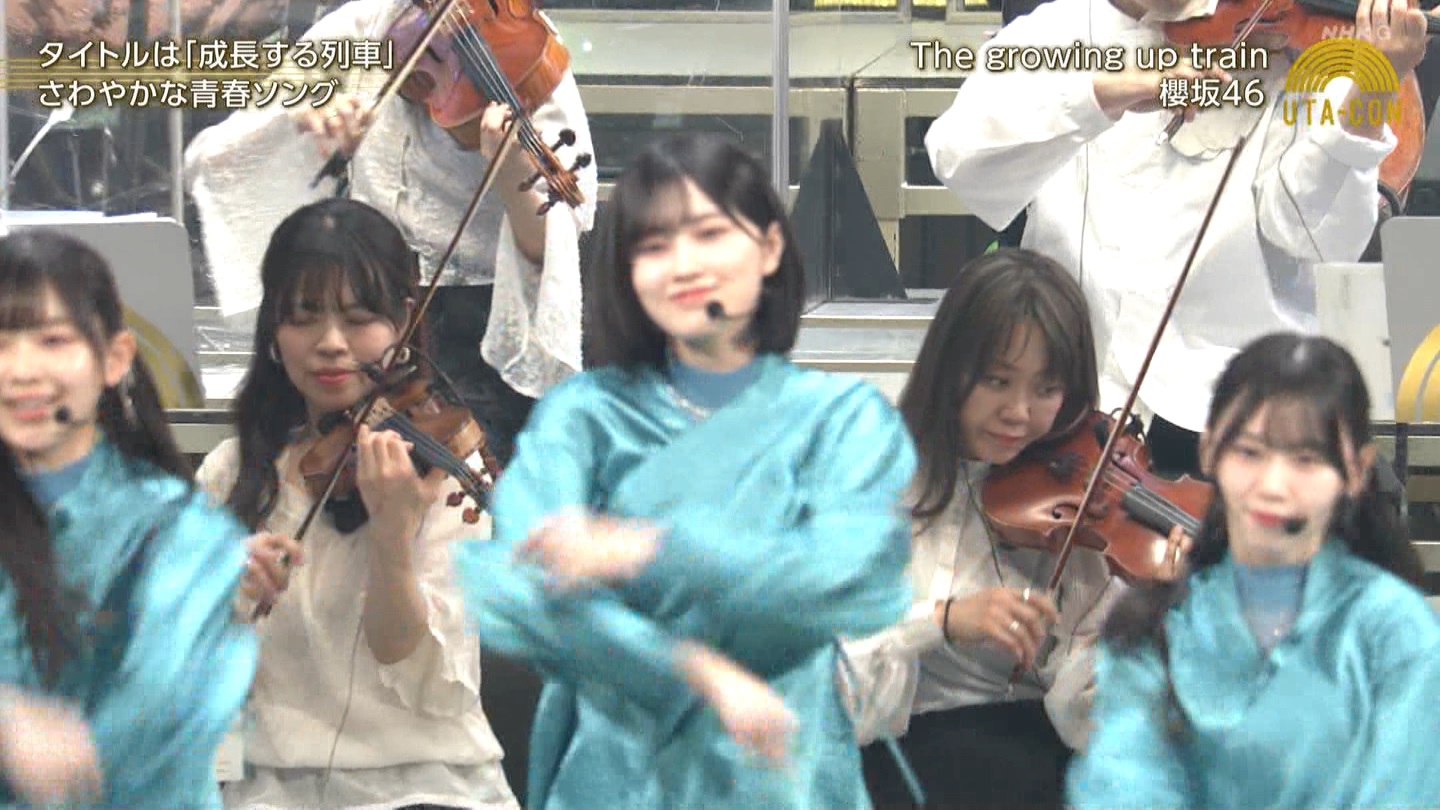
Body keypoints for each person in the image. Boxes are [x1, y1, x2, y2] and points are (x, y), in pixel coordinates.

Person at [447, 131, 917, 809]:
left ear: (770, 248)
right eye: (654, 245)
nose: (684, 264)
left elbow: (859, 576)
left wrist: (648, 551)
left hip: (781, 768)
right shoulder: (583, 415)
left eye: (709, 234)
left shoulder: (841, 418)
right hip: (617, 779)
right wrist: (690, 669)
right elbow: (508, 584)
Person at [924, 0, 1433, 477]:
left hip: (1228, 418)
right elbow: (958, 159)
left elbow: (1317, 239)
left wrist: (1371, 88)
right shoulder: (1053, 34)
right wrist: (1104, 94)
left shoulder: (1285, 50)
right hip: (1063, 401)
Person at [194, 197, 519, 810]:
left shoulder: (439, 471)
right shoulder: (232, 475)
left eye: (359, 318)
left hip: (428, 786)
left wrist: (393, 535)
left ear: (403, 321)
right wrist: (220, 594)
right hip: (268, 790)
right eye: (304, 317)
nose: (331, 344)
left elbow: (410, 663)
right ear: (273, 330)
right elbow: (193, 684)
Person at [184, 0, 599, 466]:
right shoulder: (366, 26)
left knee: (479, 480)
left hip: (479, 324)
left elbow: (554, 245)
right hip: (367, 310)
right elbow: (219, 156)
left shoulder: (521, 46)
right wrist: (306, 123)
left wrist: (509, 170)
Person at [1067, 332, 1440, 808]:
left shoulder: (1397, 631)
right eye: (1249, 452)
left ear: (1356, 470)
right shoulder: (1151, 628)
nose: (1273, 485)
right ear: (1209, 450)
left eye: (1306, 459)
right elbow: (1124, 785)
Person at [844, 248, 1148, 810]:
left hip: (1028, 761)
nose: (1019, 412)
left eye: (1046, 390)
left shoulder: (1079, 510)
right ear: (948, 367)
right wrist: (942, 621)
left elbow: (1081, 715)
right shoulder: (874, 479)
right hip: (891, 756)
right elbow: (834, 686)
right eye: (997, 380)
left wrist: (1144, 623)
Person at [0, 228, 258, 808]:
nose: (21, 370)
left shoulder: (181, 532)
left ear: (113, 358)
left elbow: (155, 725)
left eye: (52, 340)